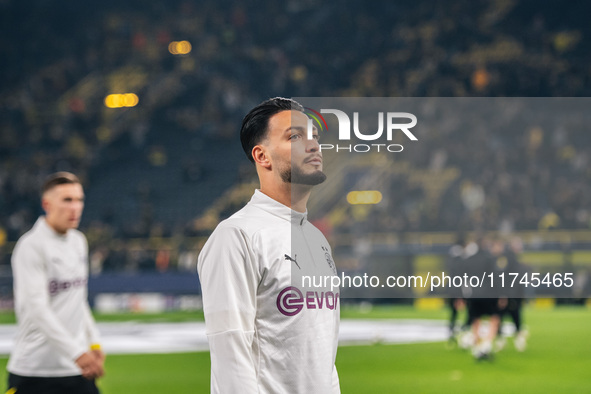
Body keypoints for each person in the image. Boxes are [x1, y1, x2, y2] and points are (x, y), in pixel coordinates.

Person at [198, 97, 340, 393]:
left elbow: (325, 358)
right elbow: (230, 351)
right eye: (295, 137)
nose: (314, 145)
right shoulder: (236, 236)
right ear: (262, 156)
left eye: (314, 136)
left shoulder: (316, 239)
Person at [6, 172, 105, 394]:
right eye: (67, 200)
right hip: (35, 370)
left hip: (75, 369)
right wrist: (77, 352)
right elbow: (37, 309)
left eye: (79, 200)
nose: (75, 207)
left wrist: (94, 343)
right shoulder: (31, 246)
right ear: (46, 204)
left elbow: (78, 300)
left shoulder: (79, 241)